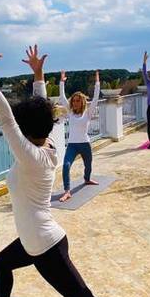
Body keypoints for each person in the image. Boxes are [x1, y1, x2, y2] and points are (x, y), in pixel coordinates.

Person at [0, 37, 135, 297]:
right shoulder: (48, 142)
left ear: (25, 133)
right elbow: (40, 111)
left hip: (46, 246)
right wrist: (39, 77)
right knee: (2, 262)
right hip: (35, 239)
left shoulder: (30, 157)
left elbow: (6, 120)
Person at [58, 69, 101, 202]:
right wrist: (61, 82)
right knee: (66, 166)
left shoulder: (88, 113)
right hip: (72, 145)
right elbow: (62, 97)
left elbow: (95, 99)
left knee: (88, 165)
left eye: (78, 100)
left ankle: (87, 179)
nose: (75, 102)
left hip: (85, 144)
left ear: (82, 102)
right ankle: (67, 191)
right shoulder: (69, 112)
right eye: (74, 100)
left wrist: (97, 83)